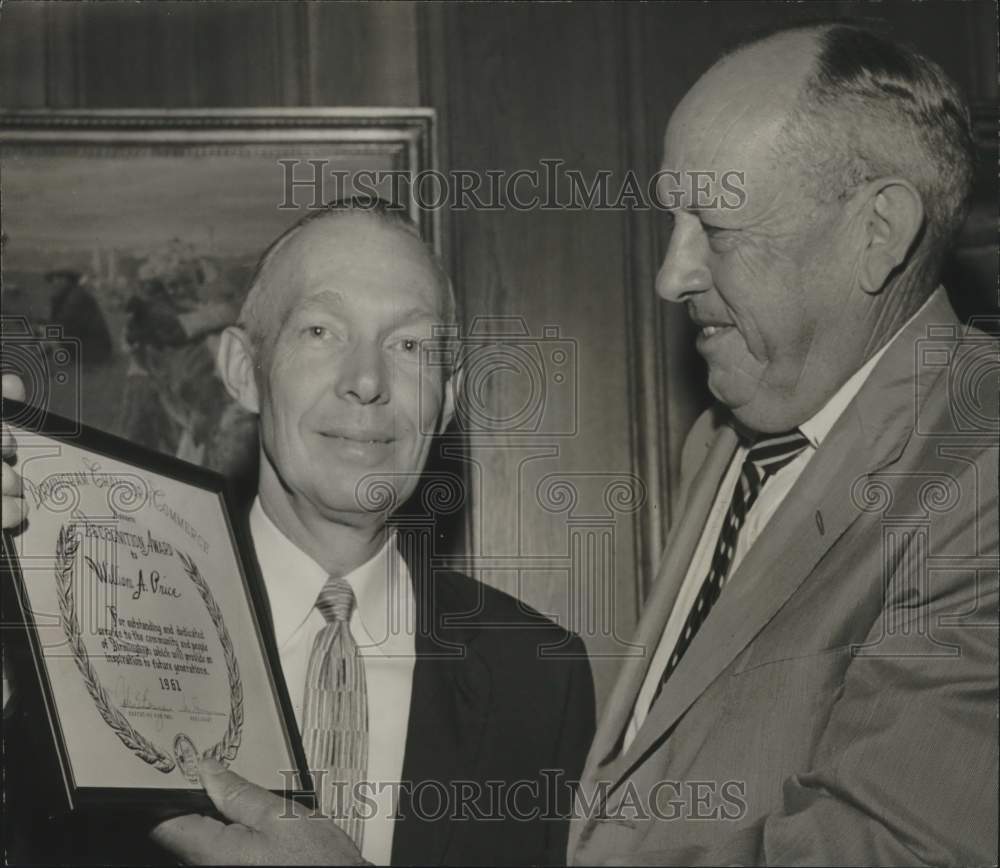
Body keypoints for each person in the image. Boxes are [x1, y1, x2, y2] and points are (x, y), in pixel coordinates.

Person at [2, 199, 595, 866]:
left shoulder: (539, 677)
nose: (368, 381)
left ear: (448, 401)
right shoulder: (89, 628)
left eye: (409, 345)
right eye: (321, 331)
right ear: (242, 370)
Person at [569, 22, 998, 866]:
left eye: (716, 230)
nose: (670, 275)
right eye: (673, 220)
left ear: (877, 232)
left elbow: (892, 848)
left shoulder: (980, 464)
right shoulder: (731, 438)